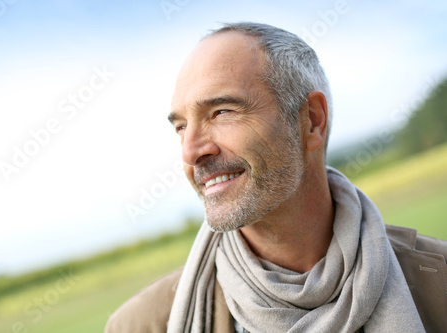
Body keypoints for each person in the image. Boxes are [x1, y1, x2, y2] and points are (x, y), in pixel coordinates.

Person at [105, 22, 447, 333]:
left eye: (222, 111)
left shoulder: (440, 283)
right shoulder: (139, 325)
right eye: (181, 127)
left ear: (312, 120)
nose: (190, 152)